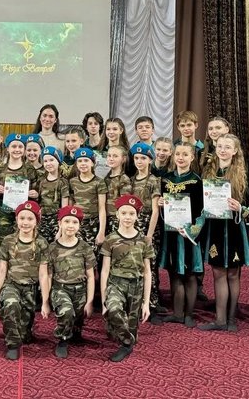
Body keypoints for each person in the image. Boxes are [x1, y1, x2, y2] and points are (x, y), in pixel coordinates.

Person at [197, 134, 249, 332]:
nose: (223, 150)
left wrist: (241, 208)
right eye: (220, 146)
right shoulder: (208, 171)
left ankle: (232, 319)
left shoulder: (244, 174)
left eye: (228, 147)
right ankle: (220, 320)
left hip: (234, 228)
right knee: (218, 273)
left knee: (233, 274)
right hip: (215, 228)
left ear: (235, 150)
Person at [0, 200, 49, 360]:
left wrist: (45, 302)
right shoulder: (8, 241)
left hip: (30, 288)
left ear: (36, 221)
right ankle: (12, 344)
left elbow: (43, 274)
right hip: (11, 285)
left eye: (30, 219)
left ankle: (24, 330)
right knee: (11, 304)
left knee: (25, 335)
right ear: (16, 219)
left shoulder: (41, 243)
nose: (25, 222)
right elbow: (2, 270)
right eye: (22, 218)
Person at [100, 194, 154, 362]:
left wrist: (146, 303)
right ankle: (126, 341)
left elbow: (147, 272)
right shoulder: (110, 239)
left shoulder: (144, 240)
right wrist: (103, 301)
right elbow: (105, 271)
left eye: (131, 213)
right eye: (123, 213)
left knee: (131, 329)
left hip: (136, 286)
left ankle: (126, 339)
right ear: (117, 214)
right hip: (116, 283)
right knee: (114, 309)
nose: (127, 217)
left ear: (137, 216)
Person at [158, 142, 205, 327]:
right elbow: (163, 207)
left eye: (185, 154)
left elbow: (201, 210)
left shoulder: (196, 180)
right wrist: (160, 204)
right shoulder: (166, 179)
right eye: (178, 154)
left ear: (192, 157)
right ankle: (177, 313)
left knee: (190, 275)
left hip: (188, 235)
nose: (181, 157)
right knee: (174, 273)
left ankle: (189, 314)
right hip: (171, 232)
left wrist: (192, 231)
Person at [39, 205, 96, 358]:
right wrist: (45, 301)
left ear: (79, 225)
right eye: (67, 221)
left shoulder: (85, 247)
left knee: (77, 321)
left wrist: (90, 301)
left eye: (75, 222)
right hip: (60, 288)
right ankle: (62, 339)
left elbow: (91, 276)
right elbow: (48, 276)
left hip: (80, 290)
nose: (70, 225)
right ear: (60, 223)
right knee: (66, 312)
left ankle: (74, 332)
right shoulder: (52, 248)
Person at [129, 143, 163, 322]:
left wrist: (149, 234)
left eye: (143, 158)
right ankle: (137, 302)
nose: (139, 161)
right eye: (136, 158)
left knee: (150, 265)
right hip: (133, 226)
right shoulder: (131, 180)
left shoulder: (153, 180)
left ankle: (152, 304)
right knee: (136, 265)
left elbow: (156, 210)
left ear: (150, 160)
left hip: (149, 226)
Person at [0, 133, 39, 240]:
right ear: (7, 149)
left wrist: (35, 195)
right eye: (14, 146)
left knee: (22, 243)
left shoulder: (29, 170)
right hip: (3, 217)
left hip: (24, 216)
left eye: (20, 147)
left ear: (24, 150)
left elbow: (37, 196)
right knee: (2, 243)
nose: (17, 149)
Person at [36, 146, 70, 241]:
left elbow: (64, 207)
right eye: (45, 161)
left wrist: (61, 229)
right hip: (42, 221)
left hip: (56, 221)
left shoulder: (63, 182)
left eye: (51, 160)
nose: (48, 163)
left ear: (58, 161)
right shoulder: (41, 181)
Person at [103, 146, 133, 235]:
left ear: (123, 159)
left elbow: (125, 203)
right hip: (104, 217)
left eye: (115, 156)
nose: (111, 159)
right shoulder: (105, 178)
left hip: (116, 219)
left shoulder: (123, 179)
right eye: (109, 156)